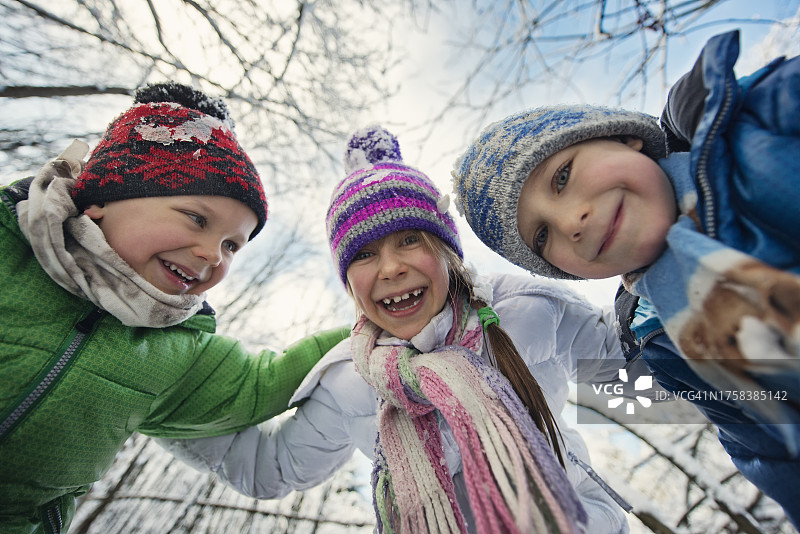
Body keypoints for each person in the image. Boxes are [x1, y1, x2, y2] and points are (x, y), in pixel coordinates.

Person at [160, 126, 635, 534]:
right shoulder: (350, 380)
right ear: (349, 282)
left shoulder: (523, 313)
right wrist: (154, 399)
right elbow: (272, 469)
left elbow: (639, 387)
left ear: (448, 251)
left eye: (410, 240)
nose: (390, 268)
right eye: (364, 254)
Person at [450, 30, 800, 525]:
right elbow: (771, 452)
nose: (571, 221)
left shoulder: (760, 123)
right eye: (543, 236)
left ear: (624, 136)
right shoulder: (663, 345)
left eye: (563, 177)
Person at [0, 82, 347, 534]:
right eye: (197, 219)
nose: (212, 254)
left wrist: (371, 329)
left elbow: (261, 383)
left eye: (231, 245)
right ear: (104, 198)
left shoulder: (173, 351)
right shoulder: (8, 246)